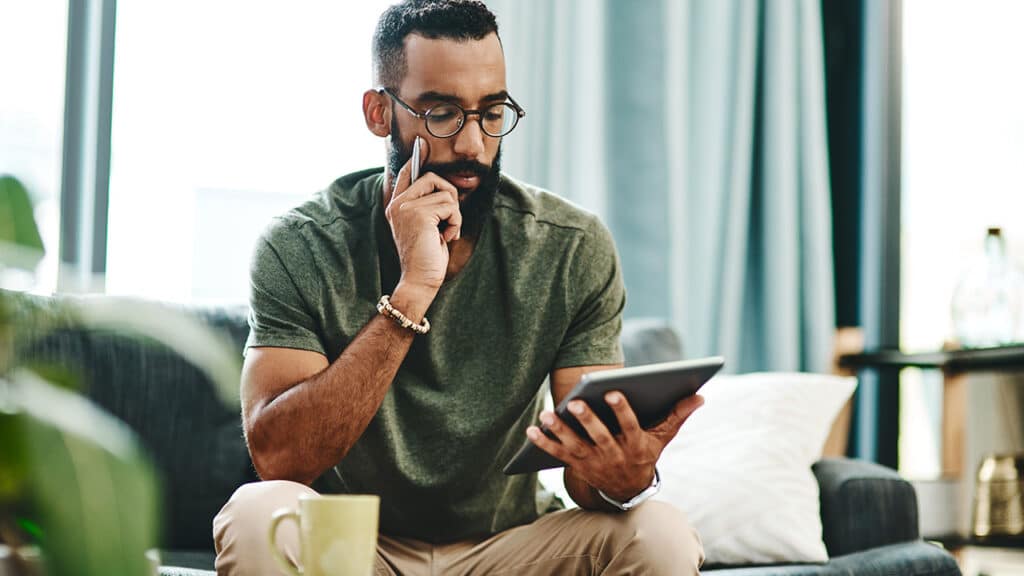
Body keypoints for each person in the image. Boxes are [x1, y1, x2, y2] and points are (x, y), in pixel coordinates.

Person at [212, 1, 704, 574]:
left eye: (492, 112)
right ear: (379, 112)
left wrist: (627, 475)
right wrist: (413, 291)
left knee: (659, 530)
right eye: (442, 112)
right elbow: (279, 459)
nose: (473, 144)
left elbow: (587, 481)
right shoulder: (300, 245)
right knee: (258, 514)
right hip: (353, 550)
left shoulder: (570, 246)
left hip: (509, 547)